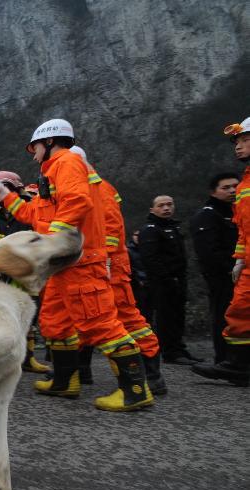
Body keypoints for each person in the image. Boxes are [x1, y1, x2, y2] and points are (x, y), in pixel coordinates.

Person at [0, 118, 152, 412]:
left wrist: (56, 242)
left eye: (34, 147)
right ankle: (64, 382)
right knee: (54, 323)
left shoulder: (67, 162)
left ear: (49, 142)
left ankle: (135, 390)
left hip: (80, 262)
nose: (32, 153)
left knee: (100, 323)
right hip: (62, 266)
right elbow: (31, 212)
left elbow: (78, 202)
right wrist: (5, 195)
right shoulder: (53, 172)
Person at [70, 146, 166, 395]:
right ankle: (81, 370)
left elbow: (111, 229)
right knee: (85, 317)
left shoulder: (99, 188)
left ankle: (151, 375)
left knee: (124, 317)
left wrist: (106, 262)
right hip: (96, 263)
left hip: (109, 265)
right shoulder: (87, 186)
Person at [192, 117, 250, 386]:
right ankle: (238, 365)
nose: (238, 147)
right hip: (247, 262)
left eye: (245, 140)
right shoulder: (245, 181)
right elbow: (243, 227)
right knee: (239, 312)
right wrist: (239, 259)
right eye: (237, 142)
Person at [0, 169, 48, 374]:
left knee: (28, 313)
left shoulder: (28, 209)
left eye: (7, 188)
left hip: (27, 270)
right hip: (0, 270)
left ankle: (28, 358)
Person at [138, 195, 201, 365]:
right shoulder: (150, 230)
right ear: (152, 209)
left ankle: (179, 348)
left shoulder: (174, 228)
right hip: (161, 282)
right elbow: (150, 258)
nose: (166, 208)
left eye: (169, 204)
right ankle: (170, 352)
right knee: (166, 316)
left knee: (178, 315)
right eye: (161, 205)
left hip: (178, 279)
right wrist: (166, 278)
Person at [189, 173, 240, 365]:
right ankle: (224, 358)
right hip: (223, 276)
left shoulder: (235, 212)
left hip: (239, 274)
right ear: (213, 192)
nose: (232, 190)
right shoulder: (208, 214)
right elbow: (208, 251)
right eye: (225, 187)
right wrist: (229, 269)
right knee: (224, 316)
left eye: (235, 186)